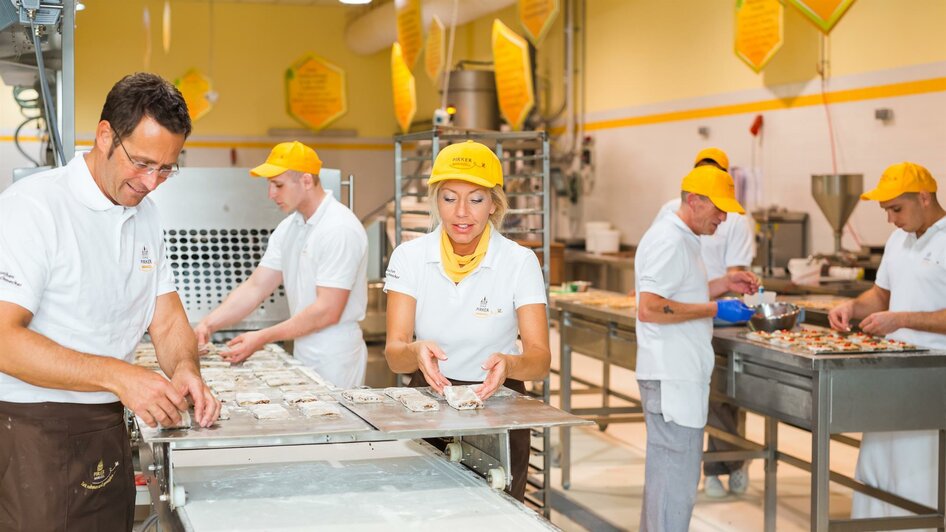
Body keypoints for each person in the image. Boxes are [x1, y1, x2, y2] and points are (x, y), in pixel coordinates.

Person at [0, 72, 220, 531]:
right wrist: (120, 375)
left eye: (166, 169)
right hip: (31, 432)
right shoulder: (34, 208)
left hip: (107, 423)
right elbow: (3, 340)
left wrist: (185, 370)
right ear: (104, 136)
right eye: (142, 163)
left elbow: (166, 317)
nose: (152, 182)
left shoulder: (146, 214)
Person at [383, 140, 551, 501]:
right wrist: (415, 350)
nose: (461, 212)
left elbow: (539, 361)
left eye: (475, 199)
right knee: (424, 514)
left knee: (499, 515)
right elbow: (395, 355)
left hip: (499, 406)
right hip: (426, 403)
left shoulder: (519, 262)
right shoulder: (411, 257)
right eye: (449, 197)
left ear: (494, 204)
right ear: (435, 200)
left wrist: (509, 363)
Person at [635, 165, 759, 531]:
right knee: (674, 484)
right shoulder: (669, 240)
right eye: (718, 208)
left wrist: (723, 283)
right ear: (693, 200)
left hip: (677, 376)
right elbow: (651, 307)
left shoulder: (684, 237)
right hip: (672, 378)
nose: (723, 217)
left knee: (667, 482)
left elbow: (681, 293)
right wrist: (716, 308)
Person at [195, 141, 369, 389]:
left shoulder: (338, 229)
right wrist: (208, 324)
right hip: (304, 347)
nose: (271, 194)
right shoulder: (291, 227)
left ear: (306, 181)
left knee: (334, 423)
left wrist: (262, 337)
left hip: (336, 356)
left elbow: (327, 310)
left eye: (278, 185)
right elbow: (256, 287)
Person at [828, 162, 946, 526]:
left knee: (919, 472)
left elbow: (900, 311)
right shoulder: (899, 240)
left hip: (933, 378)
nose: (891, 219)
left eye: (896, 208)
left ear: (924, 198)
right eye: (886, 211)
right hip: (893, 372)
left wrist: (902, 319)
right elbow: (881, 295)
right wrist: (852, 305)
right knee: (879, 465)